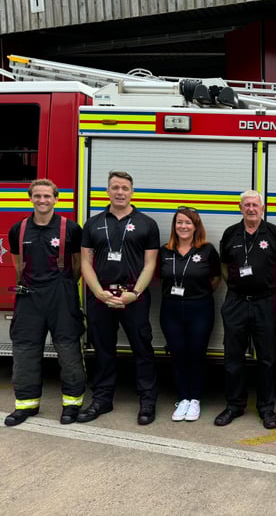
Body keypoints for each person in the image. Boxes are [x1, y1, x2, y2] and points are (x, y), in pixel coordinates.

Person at [78, 171, 160, 425]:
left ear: (132, 192)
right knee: (103, 349)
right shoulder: (93, 223)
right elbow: (85, 261)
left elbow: (151, 263)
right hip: (100, 296)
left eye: (125, 188)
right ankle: (102, 399)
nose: (120, 192)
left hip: (134, 297)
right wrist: (97, 292)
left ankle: (147, 399)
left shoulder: (147, 223)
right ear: (107, 191)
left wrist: (134, 294)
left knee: (142, 349)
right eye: (115, 187)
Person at [4, 179, 85, 426]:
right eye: (37, 196)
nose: (42, 200)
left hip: (61, 296)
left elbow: (77, 265)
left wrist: (64, 287)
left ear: (56, 199)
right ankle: (26, 405)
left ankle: (72, 404)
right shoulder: (18, 229)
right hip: (29, 296)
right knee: (25, 350)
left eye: (47, 196)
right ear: (30, 198)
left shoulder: (71, 229)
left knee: (68, 350)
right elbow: (18, 266)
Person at [216, 190, 276, 430]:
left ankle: (266, 408)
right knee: (233, 357)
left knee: (267, 359)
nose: (251, 209)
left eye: (255, 205)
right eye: (246, 205)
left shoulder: (274, 233)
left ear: (262, 208)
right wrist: (237, 287)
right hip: (236, 302)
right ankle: (234, 405)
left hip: (264, 303)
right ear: (240, 208)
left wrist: (272, 290)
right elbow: (224, 267)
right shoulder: (231, 233)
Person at [159, 206, 221, 422]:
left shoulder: (207, 250)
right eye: (179, 222)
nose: (183, 226)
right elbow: (158, 277)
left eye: (188, 222)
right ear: (174, 226)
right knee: (178, 353)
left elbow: (216, 277)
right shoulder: (165, 251)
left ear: (196, 227)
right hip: (171, 308)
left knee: (196, 353)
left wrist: (199, 293)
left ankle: (194, 399)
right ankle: (182, 398)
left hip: (200, 308)